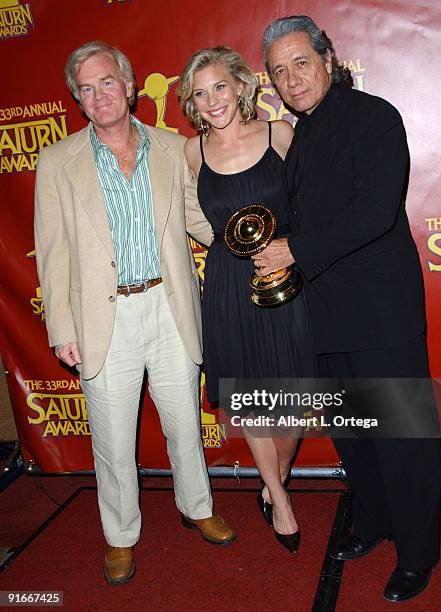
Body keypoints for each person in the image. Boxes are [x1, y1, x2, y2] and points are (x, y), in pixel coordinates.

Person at [34, 41, 235, 586]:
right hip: (106, 319)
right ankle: (120, 535)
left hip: (170, 309)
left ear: (128, 86)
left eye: (106, 82)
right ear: (79, 100)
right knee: (113, 440)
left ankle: (197, 507)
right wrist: (61, 329)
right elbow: (52, 254)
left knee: (184, 426)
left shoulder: (173, 148)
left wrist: (250, 242)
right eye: (86, 89)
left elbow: (202, 220)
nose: (98, 95)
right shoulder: (56, 162)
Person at [260, 15, 441, 603]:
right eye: (279, 72)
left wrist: (295, 247)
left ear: (327, 57)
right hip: (324, 313)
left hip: (380, 311)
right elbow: (301, 217)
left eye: (300, 63)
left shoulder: (375, 116)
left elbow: (376, 210)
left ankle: (418, 553)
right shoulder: (300, 136)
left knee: (403, 436)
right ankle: (375, 521)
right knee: (351, 431)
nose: (292, 79)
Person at [178, 46, 316, 553]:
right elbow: (191, 218)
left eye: (219, 86)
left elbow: (310, 203)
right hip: (229, 286)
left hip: (284, 274)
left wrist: (294, 252)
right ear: (191, 103)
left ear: (240, 85)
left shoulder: (280, 134)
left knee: (295, 401)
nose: (212, 99)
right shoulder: (190, 152)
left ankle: (269, 480)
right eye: (199, 92)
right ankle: (279, 497)